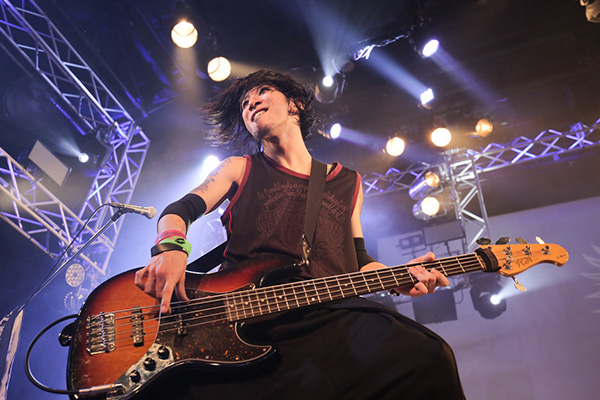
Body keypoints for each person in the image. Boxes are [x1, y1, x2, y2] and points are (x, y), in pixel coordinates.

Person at [135, 70, 465, 399]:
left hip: (328, 319)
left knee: (426, 356)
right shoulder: (239, 167)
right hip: (247, 322)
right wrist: (171, 249)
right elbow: (178, 210)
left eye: (263, 92)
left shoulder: (347, 182)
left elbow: (357, 259)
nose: (251, 104)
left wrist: (398, 278)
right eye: (245, 104)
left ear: (296, 105)